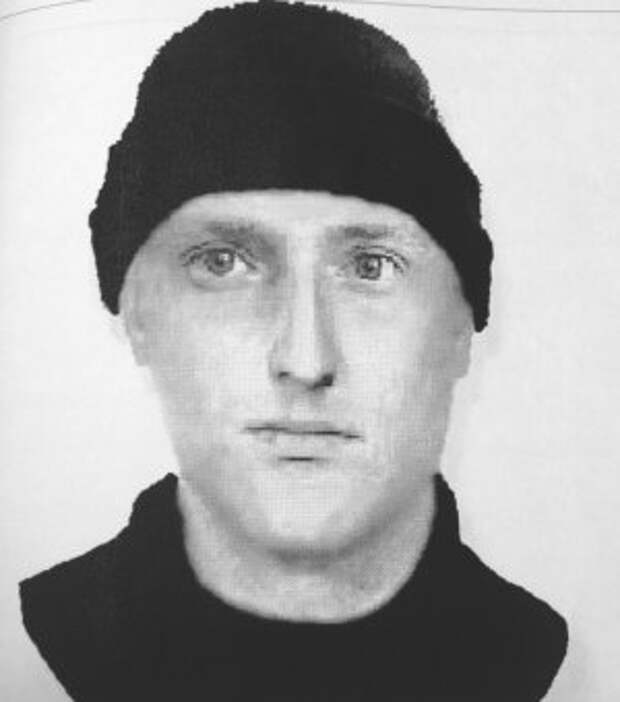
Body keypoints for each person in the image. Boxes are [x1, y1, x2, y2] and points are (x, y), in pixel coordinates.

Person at [19, 2, 567, 700]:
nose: (306, 361)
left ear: (461, 325)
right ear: (136, 316)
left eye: (370, 266)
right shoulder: (56, 628)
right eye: (222, 262)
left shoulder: (522, 649)